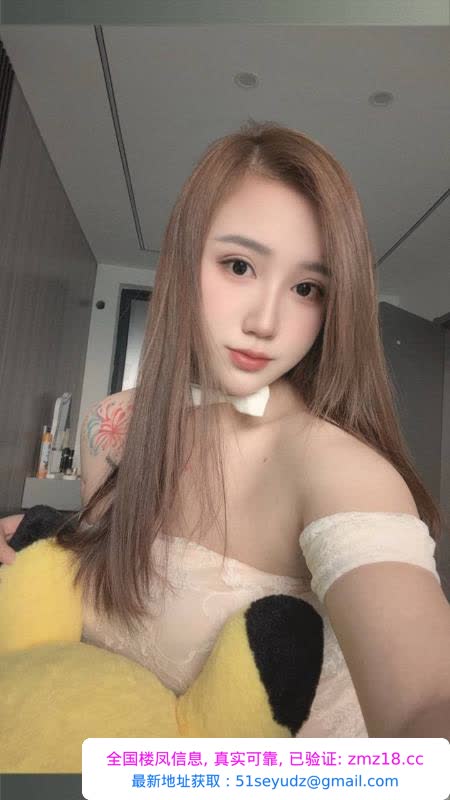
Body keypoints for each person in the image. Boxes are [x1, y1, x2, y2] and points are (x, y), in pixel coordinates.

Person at [1, 119, 450, 738]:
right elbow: (118, 571)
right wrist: (51, 538)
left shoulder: (337, 468)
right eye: (239, 265)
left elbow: (425, 706)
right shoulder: (115, 425)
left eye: (306, 287)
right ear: (183, 262)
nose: (265, 321)